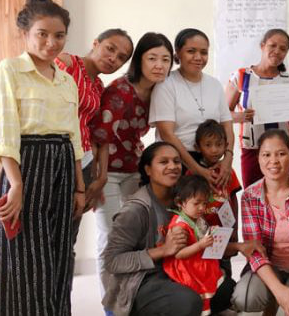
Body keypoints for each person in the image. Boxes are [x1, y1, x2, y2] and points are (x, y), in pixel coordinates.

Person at [0, 0, 84, 316]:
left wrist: (80, 186)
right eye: (42, 34)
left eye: (59, 35)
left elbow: (74, 136)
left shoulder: (66, 80)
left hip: (64, 166)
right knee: (28, 253)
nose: (51, 42)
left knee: (59, 251)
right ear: (25, 33)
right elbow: (5, 130)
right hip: (26, 164)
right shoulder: (10, 69)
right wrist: (15, 184)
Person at [103, 142, 245, 316]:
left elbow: (201, 243)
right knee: (189, 302)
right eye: (164, 162)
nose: (173, 166)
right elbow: (112, 261)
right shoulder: (135, 210)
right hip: (144, 279)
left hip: (180, 270)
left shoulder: (187, 200)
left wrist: (239, 246)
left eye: (177, 161)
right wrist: (163, 250)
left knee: (227, 289)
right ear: (148, 169)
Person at [91, 32, 174, 298]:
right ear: (139, 60)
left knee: (139, 233)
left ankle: (134, 297)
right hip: (107, 171)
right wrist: (100, 178)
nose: (159, 65)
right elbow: (101, 137)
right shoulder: (120, 90)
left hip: (133, 169)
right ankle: (110, 302)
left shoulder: (160, 91)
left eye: (165, 59)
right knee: (111, 238)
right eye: (152, 58)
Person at [55, 28, 134, 270]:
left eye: (121, 58)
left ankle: (60, 293)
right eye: (110, 48)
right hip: (54, 158)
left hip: (84, 162)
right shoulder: (67, 63)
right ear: (95, 43)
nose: (113, 58)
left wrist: (101, 176)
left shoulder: (99, 86)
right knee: (46, 236)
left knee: (67, 238)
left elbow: (99, 133)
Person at [231, 129, 289, 316]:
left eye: (281, 154)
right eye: (266, 155)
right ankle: (273, 299)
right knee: (246, 297)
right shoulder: (249, 196)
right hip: (268, 264)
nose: (273, 161)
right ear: (258, 158)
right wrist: (279, 290)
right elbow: (254, 250)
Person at [163, 174, 261, 316]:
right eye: (196, 203)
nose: (201, 208)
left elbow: (203, 237)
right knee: (204, 292)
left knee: (225, 285)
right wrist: (200, 245)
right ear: (180, 202)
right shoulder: (179, 226)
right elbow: (178, 254)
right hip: (188, 268)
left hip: (200, 263)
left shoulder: (197, 218)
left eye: (204, 203)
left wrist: (211, 233)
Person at [150, 29, 234, 188]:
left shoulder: (214, 84)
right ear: (178, 53)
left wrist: (228, 159)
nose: (198, 57)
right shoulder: (165, 84)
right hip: (176, 163)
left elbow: (227, 125)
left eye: (204, 52)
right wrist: (197, 169)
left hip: (211, 162)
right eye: (191, 51)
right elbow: (167, 134)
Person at [226, 29, 289, 188]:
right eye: (272, 45)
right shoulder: (242, 76)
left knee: (285, 195)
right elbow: (222, 114)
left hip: (285, 150)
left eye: (283, 48)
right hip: (253, 149)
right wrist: (240, 116)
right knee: (253, 196)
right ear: (262, 45)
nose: (277, 51)